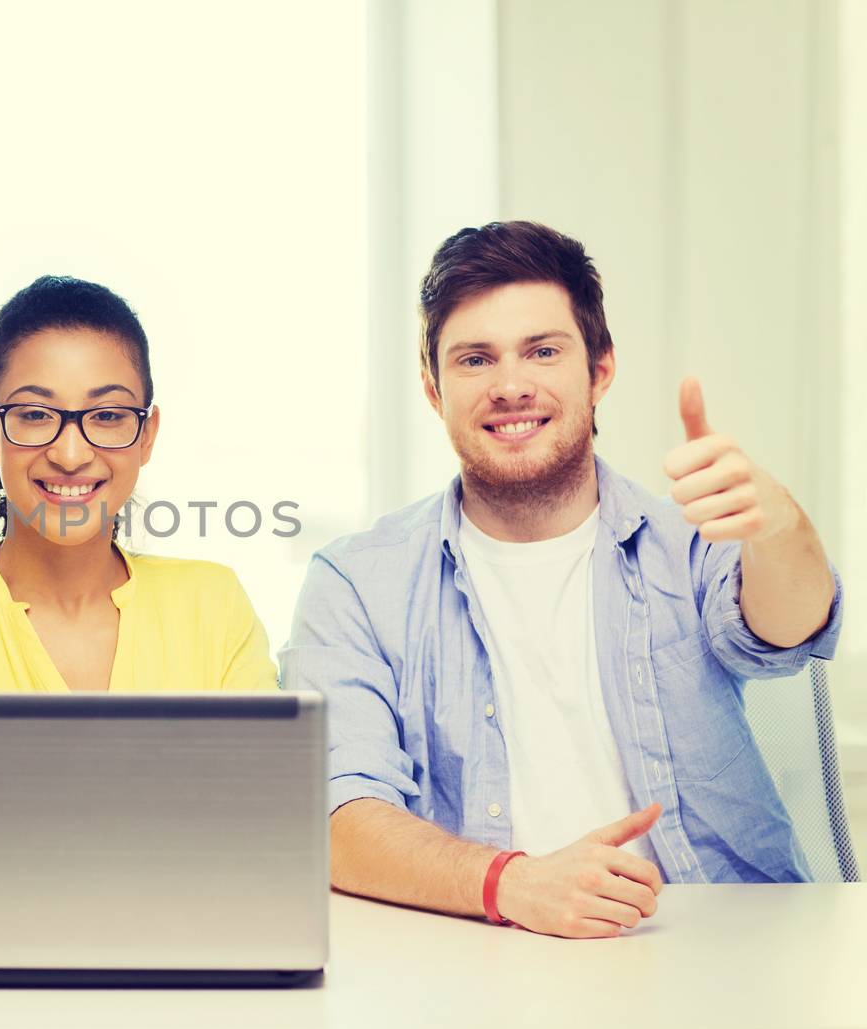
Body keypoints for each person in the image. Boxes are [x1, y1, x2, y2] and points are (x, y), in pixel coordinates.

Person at [282, 221, 841, 938]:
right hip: (480, 951)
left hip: (716, 944)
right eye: (475, 359)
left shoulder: (690, 541)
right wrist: (509, 882)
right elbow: (336, 814)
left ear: (599, 368)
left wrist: (779, 526)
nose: (511, 386)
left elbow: (788, 628)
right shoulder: (355, 583)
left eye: (543, 351)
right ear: (433, 387)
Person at [0, 275, 278, 883]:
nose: (71, 453)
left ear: (146, 435)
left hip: (177, 963)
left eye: (109, 415)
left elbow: (260, 819)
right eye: (37, 414)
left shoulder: (213, 604)